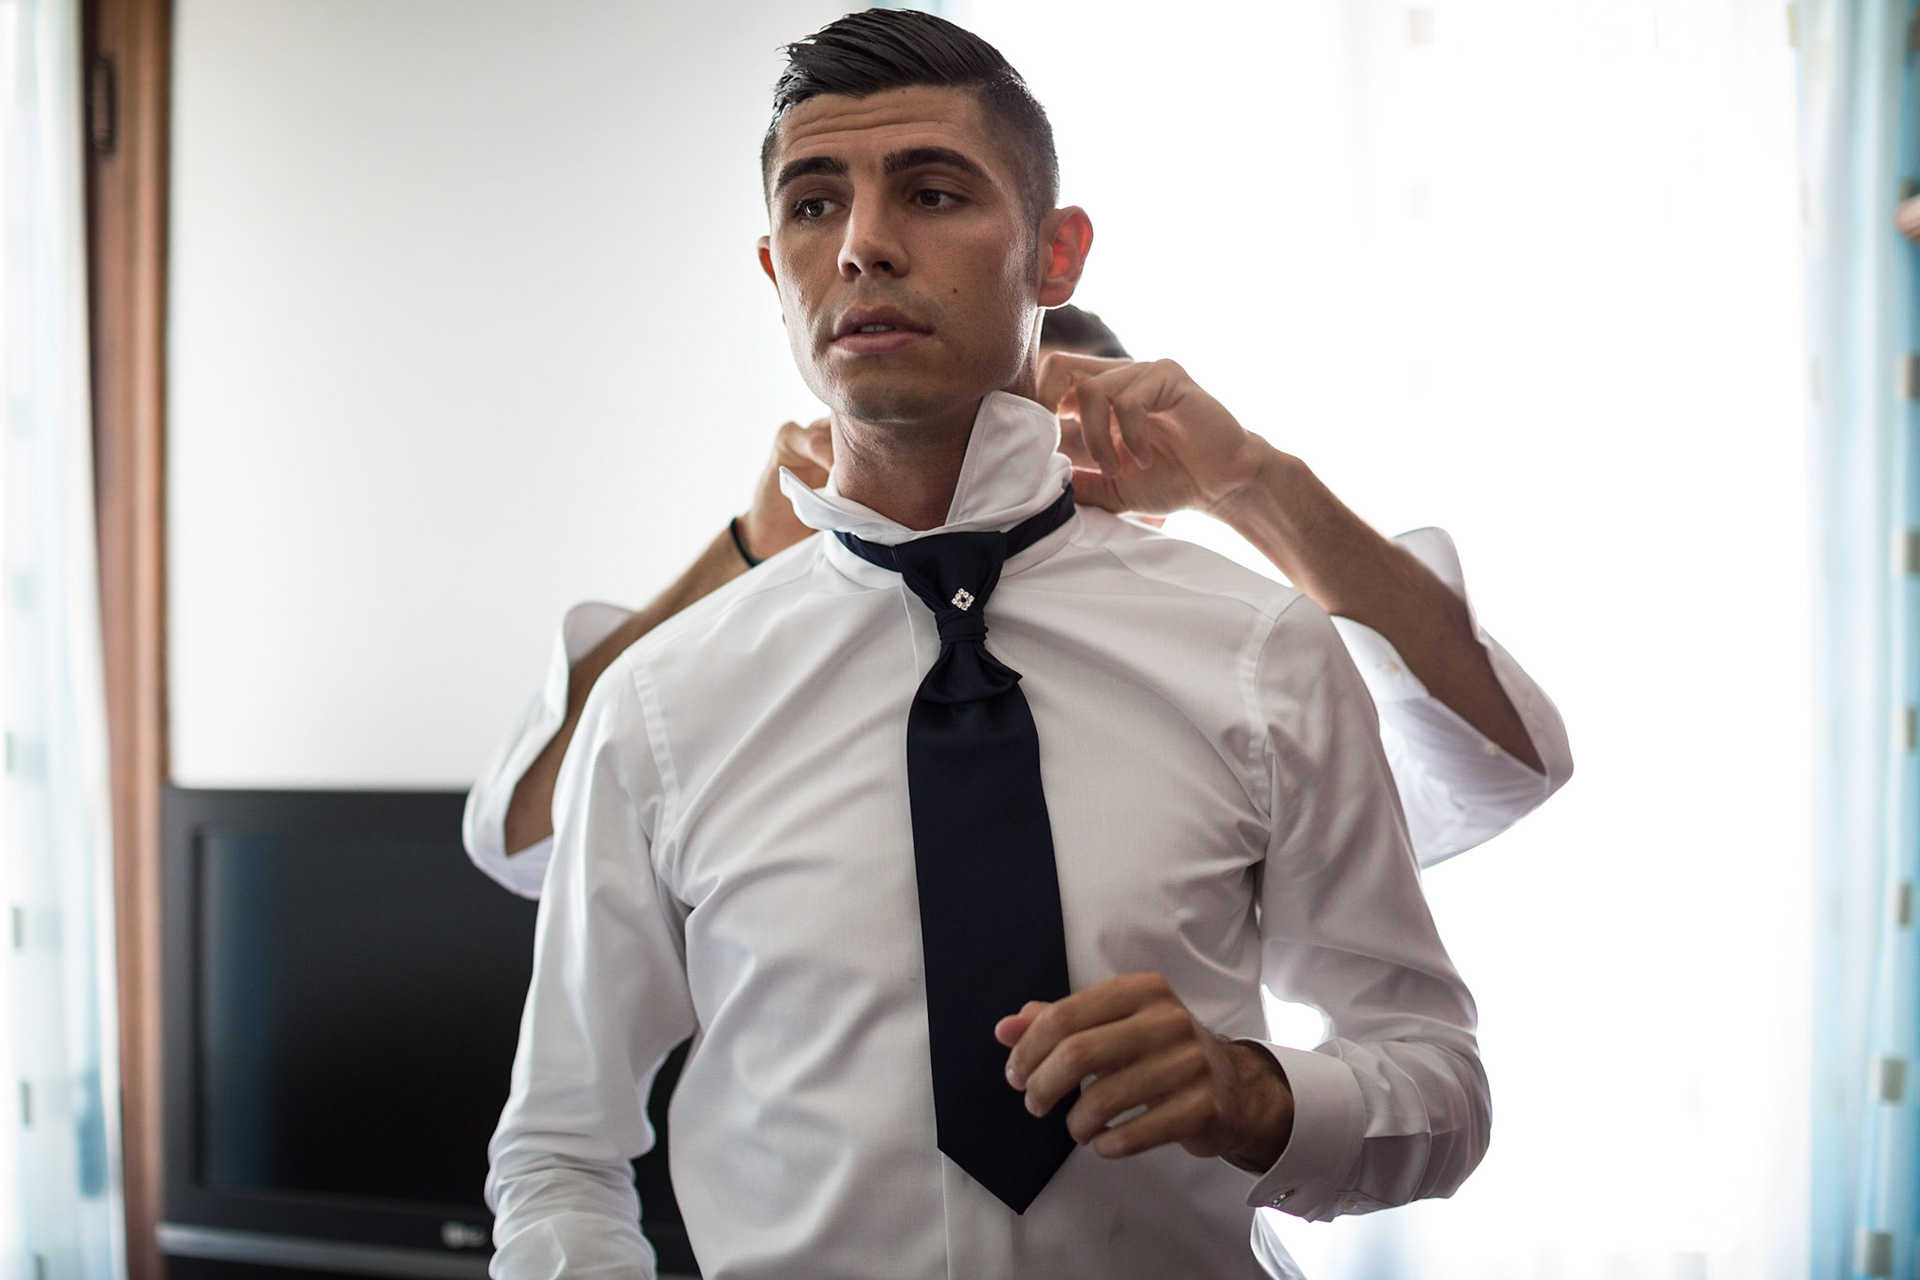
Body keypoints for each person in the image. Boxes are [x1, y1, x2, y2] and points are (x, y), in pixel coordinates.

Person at [485, 12, 1491, 1278]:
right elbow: (557, 1152)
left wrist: (1256, 1093)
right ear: (776, 272)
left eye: (932, 191)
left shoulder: (1259, 653)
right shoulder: (661, 705)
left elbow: (1441, 1085)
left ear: (1054, 254)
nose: (863, 244)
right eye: (814, 205)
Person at [463, 311, 1572, 898]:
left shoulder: (1245, 681)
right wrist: (753, 546)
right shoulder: (754, 686)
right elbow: (528, 845)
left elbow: (1500, 770)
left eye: (1048, 447)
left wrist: (1252, 482)